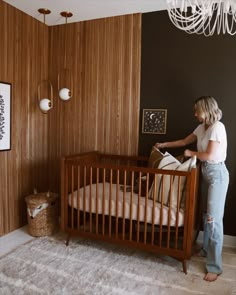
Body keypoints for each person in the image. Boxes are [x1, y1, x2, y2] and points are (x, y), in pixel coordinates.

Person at [155, 96, 229, 282]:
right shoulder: (201, 127)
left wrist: (191, 154)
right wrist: (163, 145)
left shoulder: (217, 127)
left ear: (206, 109)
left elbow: (209, 154)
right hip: (206, 173)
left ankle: (215, 266)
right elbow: (183, 141)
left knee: (213, 220)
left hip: (217, 174)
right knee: (206, 214)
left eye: (197, 110)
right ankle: (205, 250)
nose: (195, 113)